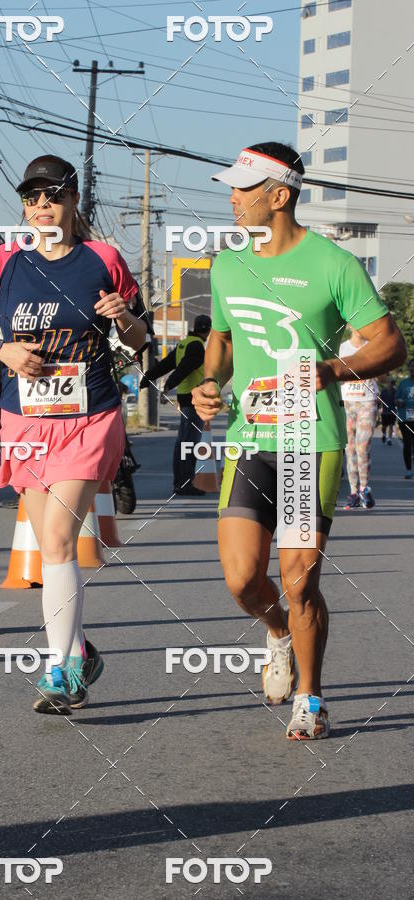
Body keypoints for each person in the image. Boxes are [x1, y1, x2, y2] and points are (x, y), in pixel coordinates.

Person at [192, 142, 406, 740]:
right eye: (232, 187)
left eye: (243, 188)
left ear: (279, 196)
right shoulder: (229, 264)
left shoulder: (334, 265)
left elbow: (390, 344)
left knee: (299, 578)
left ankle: (311, 699)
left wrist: (332, 371)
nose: (232, 198)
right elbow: (224, 339)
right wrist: (210, 383)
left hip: (310, 438)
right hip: (248, 438)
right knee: (241, 580)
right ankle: (278, 633)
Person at [0, 154, 149, 715]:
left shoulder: (102, 258)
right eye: (33, 197)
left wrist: (123, 317)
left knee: (59, 539)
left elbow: (140, 341)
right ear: (25, 205)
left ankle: (60, 672)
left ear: (73, 201)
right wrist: (2, 349)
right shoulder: (3, 263)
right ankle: (78, 651)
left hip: (91, 418)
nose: (43, 206)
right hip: (26, 420)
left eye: (54, 196)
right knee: (48, 550)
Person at [139, 315, 212, 496]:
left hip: (185, 398)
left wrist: (148, 377)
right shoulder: (196, 346)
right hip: (193, 400)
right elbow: (184, 368)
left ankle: (180, 482)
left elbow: (166, 364)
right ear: (208, 330)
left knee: (183, 442)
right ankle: (184, 484)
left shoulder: (184, 343)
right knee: (189, 443)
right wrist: (168, 385)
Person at [339, 328, 379, 510]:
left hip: (367, 402)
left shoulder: (373, 347)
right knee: (350, 449)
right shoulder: (342, 349)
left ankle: (365, 488)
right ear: (350, 326)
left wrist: (377, 370)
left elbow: (384, 378)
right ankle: (354, 492)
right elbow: (335, 376)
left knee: (363, 447)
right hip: (347, 402)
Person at [396, 358, 414, 478]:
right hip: (405, 417)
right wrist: (399, 402)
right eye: (411, 367)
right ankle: (408, 469)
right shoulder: (403, 383)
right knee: (407, 444)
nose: (413, 370)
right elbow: (396, 399)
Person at [379, 378, 397, 444]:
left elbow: (396, 401)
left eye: (393, 383)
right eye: (390, 383)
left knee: (391, 425)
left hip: (392, 411)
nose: (391, 385)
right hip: (384, 411)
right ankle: (384, 434)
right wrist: (380, 408)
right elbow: (380, 400)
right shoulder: (383, 391)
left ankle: (389, 439)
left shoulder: (395, 391)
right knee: (384, 426)